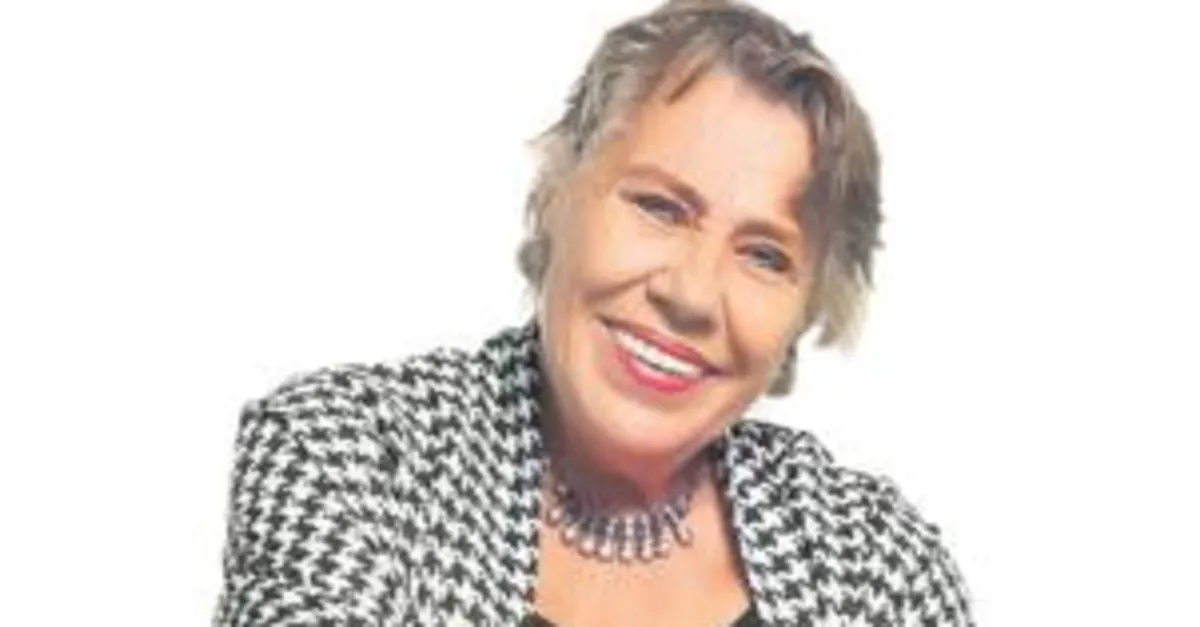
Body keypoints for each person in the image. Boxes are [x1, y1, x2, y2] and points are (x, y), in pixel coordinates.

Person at [213, 0, 973, 624]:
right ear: (556, 195)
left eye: (764, 255)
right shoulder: (355, 457)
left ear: (808, 308)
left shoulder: (875, 561)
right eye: (660, 207)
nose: (691, 294)